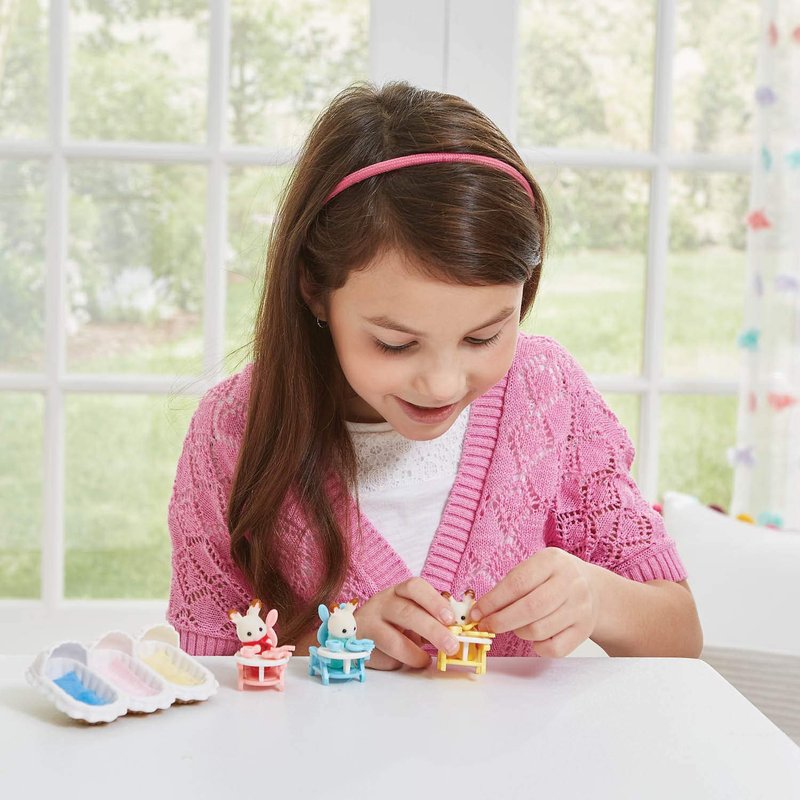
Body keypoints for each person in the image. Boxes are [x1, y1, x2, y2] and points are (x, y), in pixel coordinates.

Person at [167, 81, 703, 669]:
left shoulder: (546, 394)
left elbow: (680, 635)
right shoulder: (232, 431)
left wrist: (599, 598)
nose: (443, 384)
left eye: (483, 337)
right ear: (315, 290)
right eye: (396, 344)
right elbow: (207, 664)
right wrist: (332, 642)